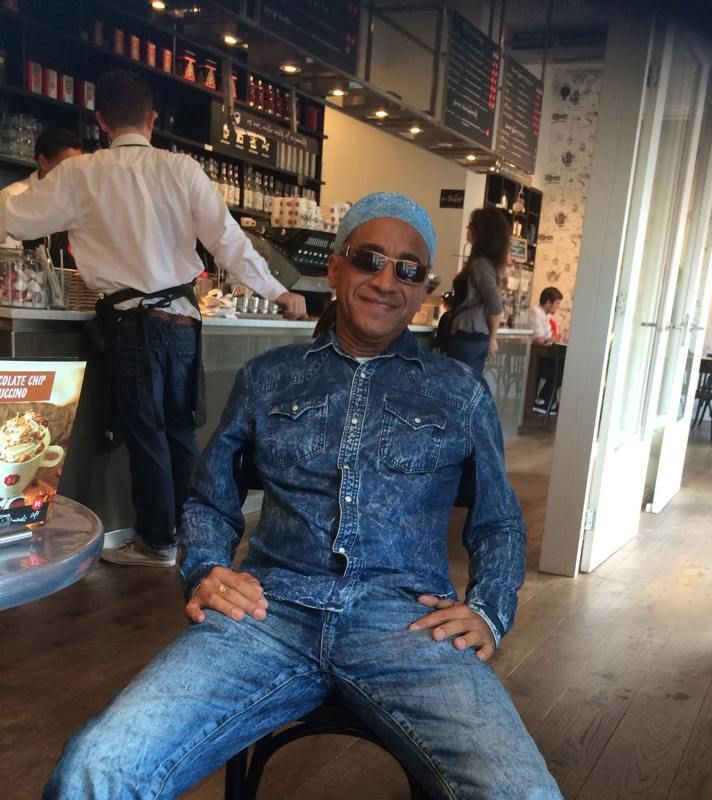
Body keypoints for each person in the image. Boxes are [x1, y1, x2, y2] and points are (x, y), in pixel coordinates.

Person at [42, 192, 564, 800]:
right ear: (336, 267)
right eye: (369, 259)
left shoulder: (459, 392)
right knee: (95, 767)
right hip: (268, 613)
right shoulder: (268, 377)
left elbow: (499, 522)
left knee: (522, 792)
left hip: (408, 623)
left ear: (425, 289)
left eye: (408, 270)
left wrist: (490, 610)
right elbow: (211, 498)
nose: (386, 281)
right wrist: (206, 568)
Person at [0, 70, 306, 569]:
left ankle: (155, 541)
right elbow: (229, 241)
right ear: (152, 119)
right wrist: (279, 292)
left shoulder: (81, 174)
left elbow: (14, 216)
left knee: (147, 435)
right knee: (180, 432)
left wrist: (30, 183)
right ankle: (189, 534)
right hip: (182, 319)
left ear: (101, 121)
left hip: (132, 324)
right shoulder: (182, 169)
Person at [442, 206, 509, 375]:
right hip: (470, 336)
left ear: (481, 232)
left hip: (469, 336)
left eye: (471, 225)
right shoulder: (483, 263)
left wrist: (492, 338)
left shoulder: (480, 264)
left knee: (461, 385)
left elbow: (495, 305)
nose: (467, 228)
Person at [0, 127, 82, 250]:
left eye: (77, 168)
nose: (73, 174)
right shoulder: (12, 197)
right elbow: (9, 255)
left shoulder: (77, 198)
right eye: (66, 168)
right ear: (43, 161)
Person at [530, 286, 564, 414]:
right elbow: (539, 339)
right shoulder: (535, 312)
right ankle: (545, 400)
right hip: (532, 356)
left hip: (542, 355)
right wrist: (549, 338)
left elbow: (551, 336)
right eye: (557, 303)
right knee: (560, 367)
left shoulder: (546, 316)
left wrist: (549, 338)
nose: (558, 307)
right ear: (548, 302)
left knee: (563, 365)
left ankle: (547, 400)